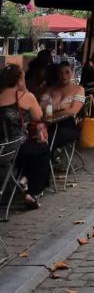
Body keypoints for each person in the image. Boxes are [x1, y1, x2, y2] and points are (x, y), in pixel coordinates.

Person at [0, 64, 51, 208]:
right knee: (42, 149)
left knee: (33, 151)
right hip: (15, 149)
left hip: (2, 149)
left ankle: (24, 179)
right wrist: (27, 91)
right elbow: (39, 116)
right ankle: (31, 192)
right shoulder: (25, 96)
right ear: (19, 80)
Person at [41, 61, 86, 155]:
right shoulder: (50, 89)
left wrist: (52, 113)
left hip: (68, 127)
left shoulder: (78, 89)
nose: (64, 75)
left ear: (72, 73)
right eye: (61, 72)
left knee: (47, 141)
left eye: (67, 72)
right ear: (57, 74)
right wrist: (63, 108)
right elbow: (41, 107)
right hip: (47, 126)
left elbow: (73, 111)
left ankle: (47, 164)